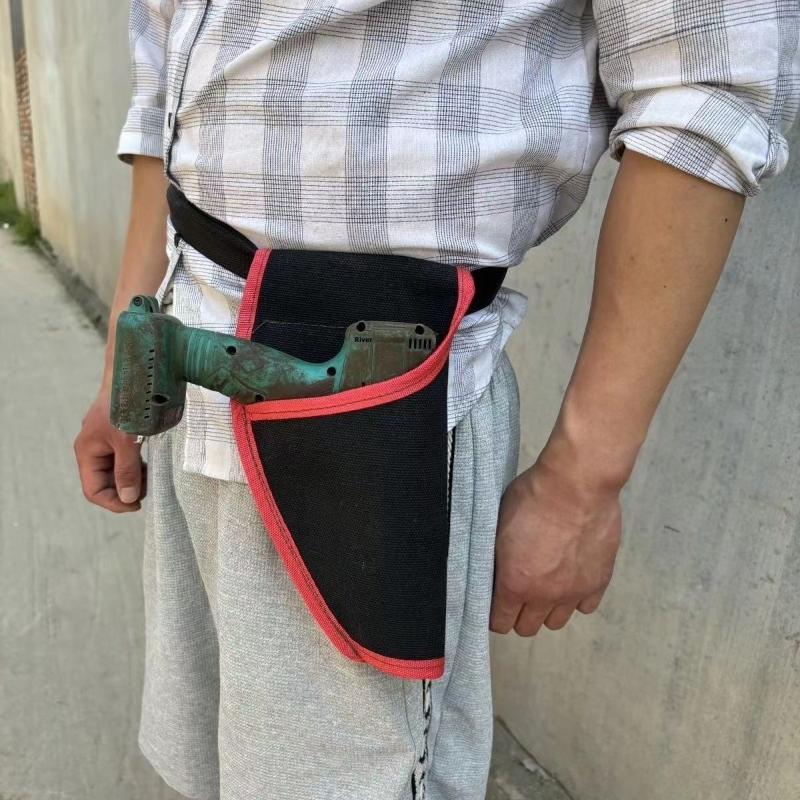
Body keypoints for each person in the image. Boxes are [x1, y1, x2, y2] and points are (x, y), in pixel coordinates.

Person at [73, 1, 798, 798]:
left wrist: (581, 486)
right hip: (187, 350)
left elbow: (703, 91)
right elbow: (165, 88)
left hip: (375, 420)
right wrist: (125, 359)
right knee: (214, 762)